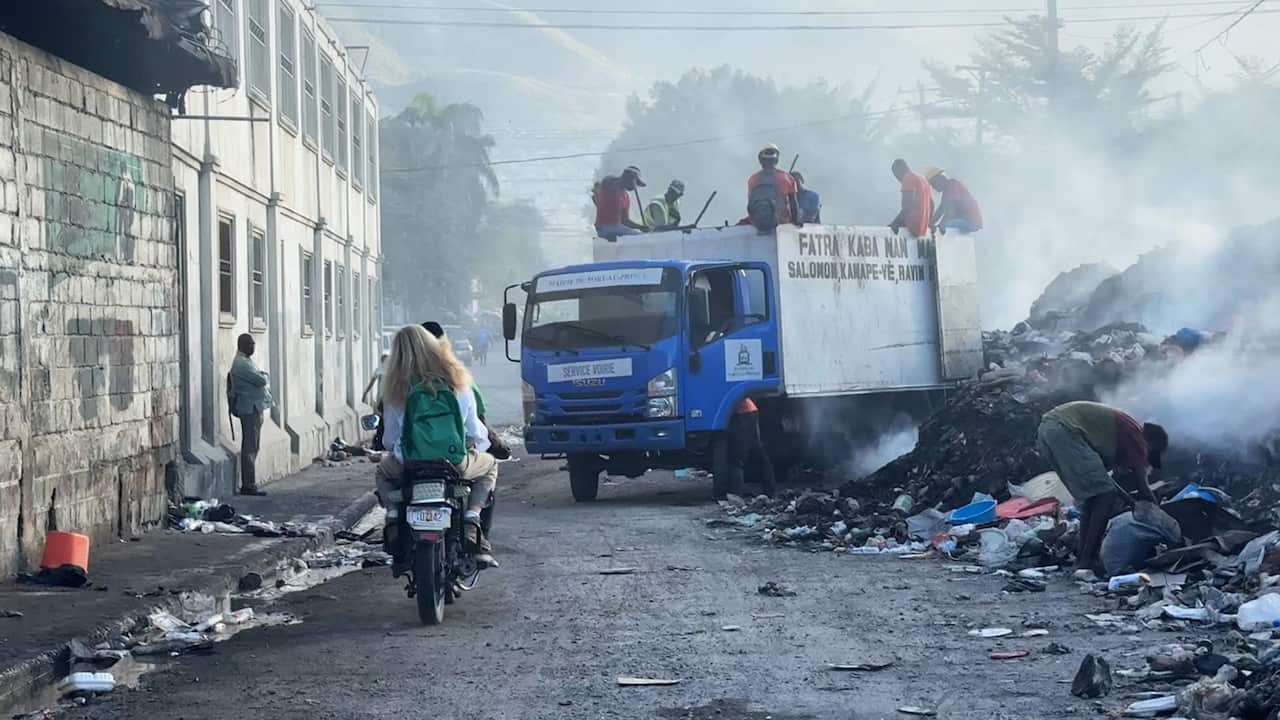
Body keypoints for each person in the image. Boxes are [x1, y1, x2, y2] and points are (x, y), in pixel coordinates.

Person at [375, 325, 500, 568]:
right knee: (490, 466)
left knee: (383, 471)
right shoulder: (457, 379)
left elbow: (389, 439)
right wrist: (480, 447)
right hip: (453, 464)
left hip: (410, 465)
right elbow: (476, 432)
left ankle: (392, 518)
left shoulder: (396, 388)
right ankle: (473, 518)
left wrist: (402, 448)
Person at [1036, 401, 1169, 573]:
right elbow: (1142, 486)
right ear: (1150, 444)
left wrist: (1129, 501)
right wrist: (1160, 516)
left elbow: (1106, 481)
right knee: (1105, 496)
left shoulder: (1117, 436)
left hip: (1049, 430)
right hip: (1065, 430)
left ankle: (1082, 559)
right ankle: (1086, 560)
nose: (1145, 460)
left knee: (1093, 498)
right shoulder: (1137, 439)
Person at [424, 321, 511, 460]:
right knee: (489, 466)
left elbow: (387, 435)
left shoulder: (399, 382)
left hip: (412, 458)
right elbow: (478, 427)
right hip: (454, 453)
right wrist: (500, 448)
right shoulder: (460, 379)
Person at [226, 333, 273, 496]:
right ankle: (249, 484)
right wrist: (264, 375)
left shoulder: (245, 361)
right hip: (249, 408)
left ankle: (249, 482)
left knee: (253, 445)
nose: (253, 347)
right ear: (243, 345)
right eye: (250, 344)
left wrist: (262, 375)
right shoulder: (241, 363)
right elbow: (261, 380)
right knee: (250, 447)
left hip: (253, 407)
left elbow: (260, 377)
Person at [727, 398, 776, 497]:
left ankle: (737, 493)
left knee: (737, 457)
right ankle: (770, 490)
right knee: (758, 451)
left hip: (742, 413)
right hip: (749, 410)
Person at [746, 144, 800, 230]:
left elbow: (750, 205)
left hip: (758, 226)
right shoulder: (787, 178)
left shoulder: (752, 179)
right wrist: (796, 223)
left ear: (761, 160)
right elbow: (794, 206)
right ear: (776, 160)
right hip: (783, 225)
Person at [593, 166, 648, 241]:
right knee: (640, 238)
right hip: (604, 228)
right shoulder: (609, 183)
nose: (635, 187)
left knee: (641, 236)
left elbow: (625, 221)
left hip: (617, 227)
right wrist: (629, 177)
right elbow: (609, 182)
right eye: (636, 183)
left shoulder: (626, 197)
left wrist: (641, 227)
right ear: (628, 178)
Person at [925, 167, 983, 234]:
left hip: (971, 221)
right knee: (942, 225)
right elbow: (941, 209)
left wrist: (942, 224)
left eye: (933, 184)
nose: (933, 187)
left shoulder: (952, 186)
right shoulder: (948, 188)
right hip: (969, 220)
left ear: (938, 179)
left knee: (943, 226)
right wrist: (930, 223)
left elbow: (949, 211)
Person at [888, 158, 932, 238]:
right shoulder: (923, 179)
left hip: (913, 226)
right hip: (923, 229)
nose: (897, 179)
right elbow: (932, 204)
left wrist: (895, 223)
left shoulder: (908, 179)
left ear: (899, 171)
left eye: (896, 175)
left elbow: (907, 206)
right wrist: (929, 223)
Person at [363, 353, 389, 449]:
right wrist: (365, 393)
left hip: (386, 399)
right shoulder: (382, 371)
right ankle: (380, 441)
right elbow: (372, 383)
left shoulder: (385, 371)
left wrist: (365, 393)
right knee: (383, 420)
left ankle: (380, 442)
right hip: (385, 399)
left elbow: (371, 383)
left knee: (383, 420)